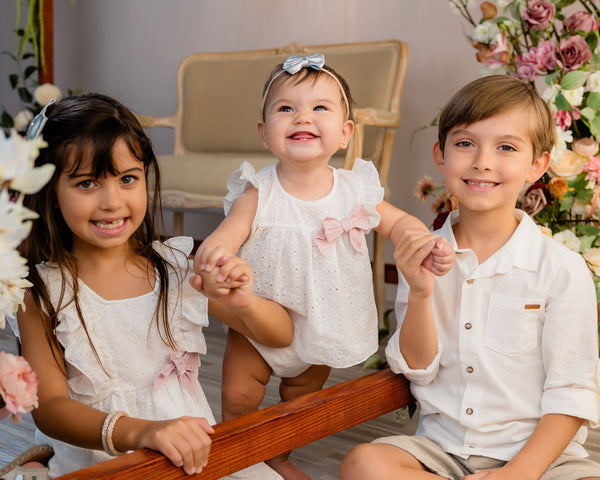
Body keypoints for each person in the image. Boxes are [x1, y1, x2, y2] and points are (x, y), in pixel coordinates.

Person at [194, 54, 454, 480]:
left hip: (321, 320)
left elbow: (397, 221)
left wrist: (418, 238)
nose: (303, 117)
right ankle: (237, 457)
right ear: (264, 133)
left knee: (298, 401)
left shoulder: (354, 188)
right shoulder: (258, 191)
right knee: (239, 393)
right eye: (285, 108)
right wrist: (217, 252)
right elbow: (230, 231)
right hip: (259, 319)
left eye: (319, 108)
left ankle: (277, 456)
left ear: (345, 134)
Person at [12, 93, 292, 479]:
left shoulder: (176, 269)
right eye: (87, 183)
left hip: (193, 459)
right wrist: (143, 431)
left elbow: (280, 336)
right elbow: (51, 409)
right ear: (51, 192)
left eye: (128, 179)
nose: (112, 201)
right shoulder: (40, 292)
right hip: (108, 467)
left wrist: (244, 303)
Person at [339, 75, 600, 480]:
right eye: (464, 143)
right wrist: (422, 293)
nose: (482, 161)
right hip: (441, 452)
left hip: (541, 460)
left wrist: (516, 474)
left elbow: (572, 393)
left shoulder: (561, 270)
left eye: (506, 147)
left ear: (537, 165)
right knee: (363, 464)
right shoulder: (423, 255)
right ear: (440, 157)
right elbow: (418, 368)